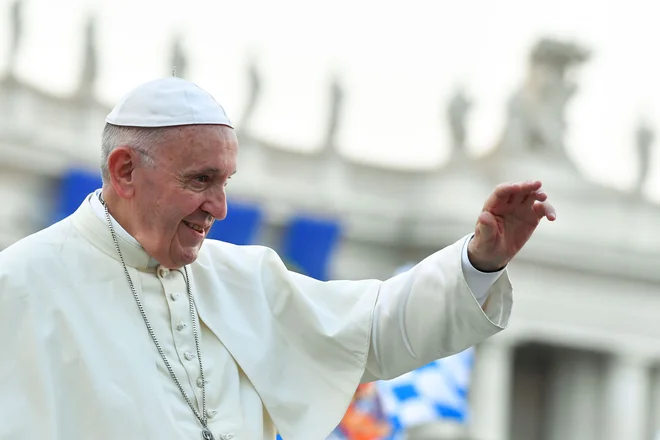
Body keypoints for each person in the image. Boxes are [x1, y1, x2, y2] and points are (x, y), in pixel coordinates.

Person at [0, 77, 556, 440]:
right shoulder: (21, 285)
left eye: (225, 182)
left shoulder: (242, 277)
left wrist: (479, 260)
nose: (218, 207)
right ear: (124, 171)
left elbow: (376, 328)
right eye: (200, 180)